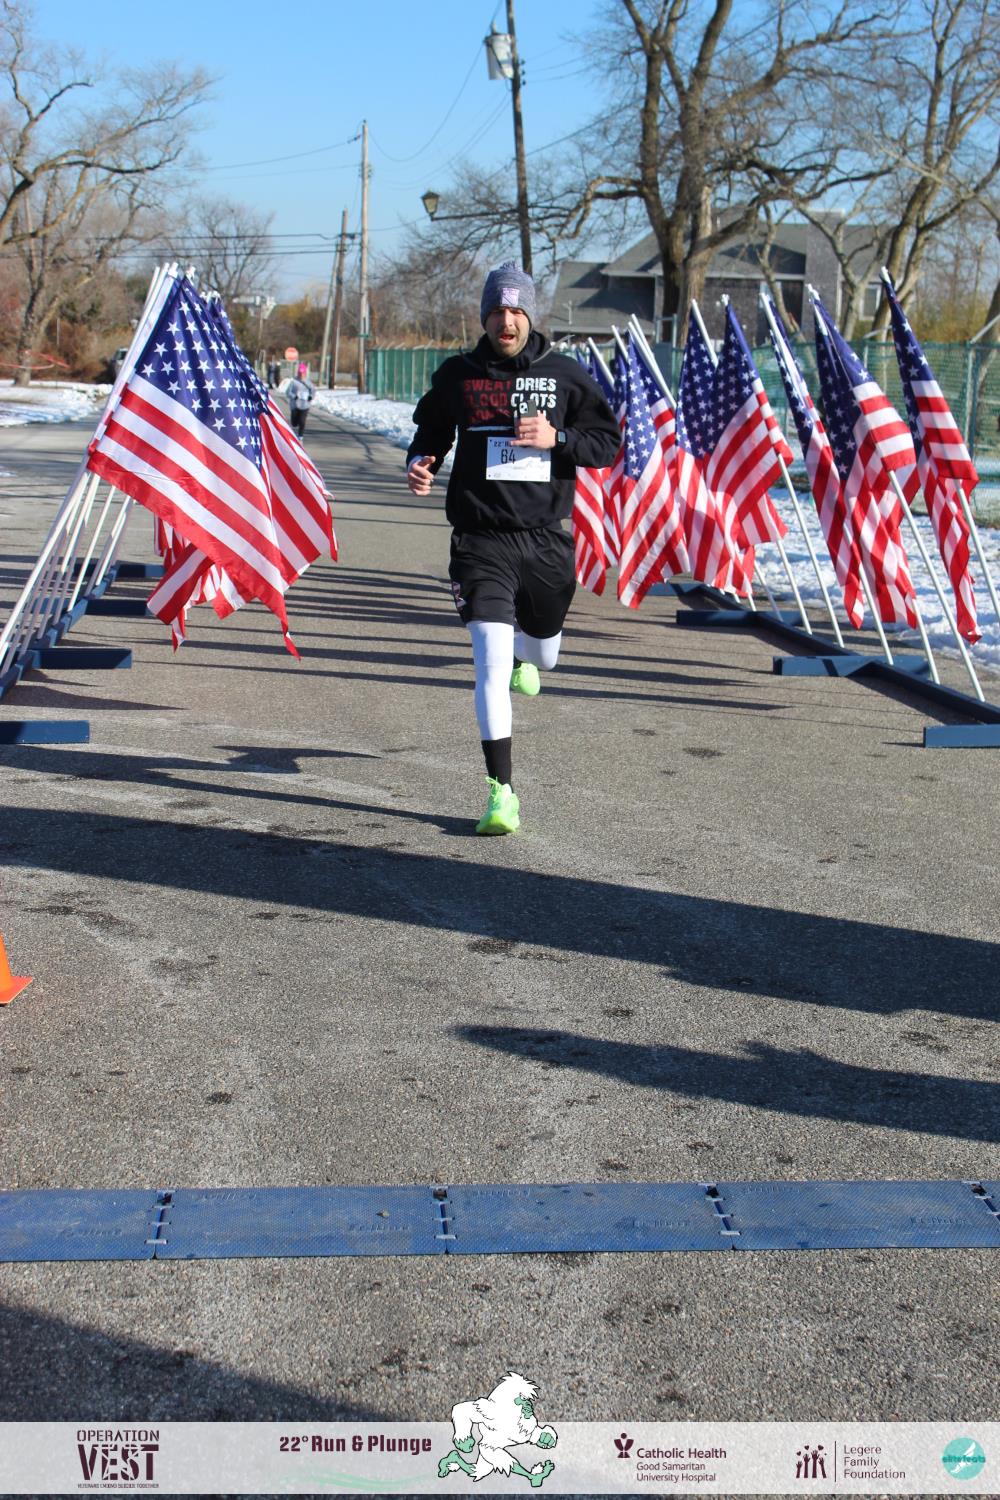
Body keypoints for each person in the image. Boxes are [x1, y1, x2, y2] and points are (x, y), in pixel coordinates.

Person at [406, 261, 620, 836]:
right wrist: (421, 460)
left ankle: (532, 654)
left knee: (543, 656)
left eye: (517, 310)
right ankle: (501, 793)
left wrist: (559, 438)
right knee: (490, 662)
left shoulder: (565, 374)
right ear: (484, 316)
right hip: (479, 540)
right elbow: (432, 430)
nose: (507, 321)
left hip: (545, 538)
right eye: (497, 311)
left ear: (530, 315)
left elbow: (606, 444)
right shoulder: (459, 375)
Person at [286, 362, 315, 438]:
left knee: (302, 421)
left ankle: (300, 436)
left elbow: (313, 391)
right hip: (295, 405)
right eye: (300, 373)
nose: (301, 375)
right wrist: (294, 396)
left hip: (305, 405)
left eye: (302, 373)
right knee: (294, 423)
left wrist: (310, 397)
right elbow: (288, 392)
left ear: (305, 373)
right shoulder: (294, 382)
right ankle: (296, 423)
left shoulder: (308, 382)